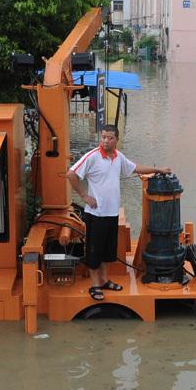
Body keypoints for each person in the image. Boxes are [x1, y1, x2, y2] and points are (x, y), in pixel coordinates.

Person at [66, 124, 171, 301]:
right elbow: (71, 174)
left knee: (108, 251)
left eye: (109, 138)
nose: (105, 141)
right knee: (94, 251)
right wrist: (84, 196)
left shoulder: (118, 157)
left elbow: (135, 168)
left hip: (111, 213)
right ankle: (95, 285)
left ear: (116, 140)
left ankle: (105, 280)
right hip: (96, 214)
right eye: (103, 137)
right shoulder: (92, 157)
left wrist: (157, 169)